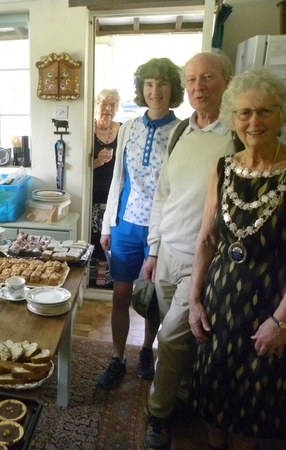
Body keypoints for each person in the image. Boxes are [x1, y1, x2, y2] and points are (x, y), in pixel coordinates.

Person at [188, 69, 286, 450]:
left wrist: (281, 323)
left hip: (269, 311)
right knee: (213, 401)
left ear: (282, 115)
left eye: (265, 112)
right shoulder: (222, 169)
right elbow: (206, 239)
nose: (254, 122)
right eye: (244, 113)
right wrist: (194, 300)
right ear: (232, 119)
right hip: (218, 309)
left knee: (249, 415)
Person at [141, 51, 235, 450]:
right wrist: (153, 249)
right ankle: (182, 394)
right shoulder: (181, 132)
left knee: (174, 336)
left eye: (208, 77)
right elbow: (163, 196)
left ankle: (158, 415)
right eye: (192, 79)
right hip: (168, 253)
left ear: (226, 82)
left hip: (206, 259)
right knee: (183, 337)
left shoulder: (237, 133)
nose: (198, 87)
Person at [97, 58, 184, 389]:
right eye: (149, 83)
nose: (155, 90)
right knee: (120, 297)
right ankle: (117, 357)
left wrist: (161, 239)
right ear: (141, 88)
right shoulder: (129, 127)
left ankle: (146, 350)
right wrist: (107, 225)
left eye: (162, 83)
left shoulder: (181, 130)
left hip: (161, 230)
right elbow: (118, 177)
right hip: (125, 226)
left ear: (173, 89)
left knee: (152, 299)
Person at [90, 88, 121, 288]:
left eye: (112, 105)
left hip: (115, 194)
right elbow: (79, 167)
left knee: (111, 237)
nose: (108, 109)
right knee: (94, 235)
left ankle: (109, 279)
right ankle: (92, 279)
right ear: (96, 106)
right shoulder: (88, 129)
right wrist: (97, 162)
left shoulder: (123, 129)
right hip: (93, 193)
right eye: (104, 104)